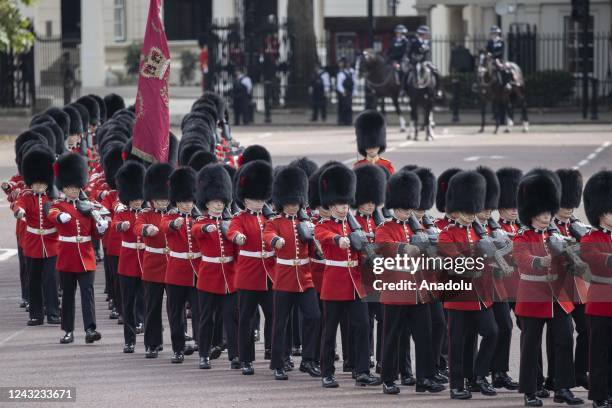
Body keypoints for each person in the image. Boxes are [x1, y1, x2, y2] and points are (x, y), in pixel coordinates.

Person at [513, 169, 583, 407]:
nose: (546, 216)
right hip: (533, 296)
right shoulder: (523, 236)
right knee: (530, 346)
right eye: (542, 212)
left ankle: (562, 387)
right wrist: (539, 262)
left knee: (564, 341)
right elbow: (521, 257)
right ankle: (530, 391)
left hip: (559, 297)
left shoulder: (557, 234)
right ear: (531, 212)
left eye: (548, 212)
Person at [376, 169, 445, 395]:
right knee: (392, 337)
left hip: (419, 292)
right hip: (396, 292)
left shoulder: (419, 228)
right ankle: (388, 379)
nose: (407, 212)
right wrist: (405, 248)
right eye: (403, 208)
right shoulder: (385, 228)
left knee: (423, 337)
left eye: (409, 208)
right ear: (394, 206)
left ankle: (424, 378)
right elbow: (384, 249)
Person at [314, 164, 381, 388]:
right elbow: (323, 235)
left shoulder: (355, 224)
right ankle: (327, 373)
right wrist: (339, 241)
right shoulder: (324, 225)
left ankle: (362, 371)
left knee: (362, 326)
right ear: (330, 205)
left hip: (356, 283)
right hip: (334, 284)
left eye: (345, 204)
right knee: (329, 330)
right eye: (339, 204)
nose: (343, 208)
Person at [438, 170, 499, 400]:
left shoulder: (478, 232)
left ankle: (479, 375)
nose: (471, 215)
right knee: (458, 343)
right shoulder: (447, 234)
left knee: (492, 333)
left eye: (473, 211)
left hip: (481, 295)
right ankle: (456, 385)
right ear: (455, 211)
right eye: (467, 211)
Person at [264, 166, 321, 380]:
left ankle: (308, 360)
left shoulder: (306, 223)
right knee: (281, 323)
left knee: (314, 317)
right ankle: (278, 363)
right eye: (289, 203)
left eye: (296, 203)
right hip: (285, 279)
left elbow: (315, 247)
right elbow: (268, 235)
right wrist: (275, 241)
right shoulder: (275, 222)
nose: (292, 207)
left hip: (305, 278)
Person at [48, 153, 107, 344]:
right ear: (63, 188)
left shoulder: (88, 206)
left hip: (86, 255)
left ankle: (90, 329)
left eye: (75, 187)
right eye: (69, 188)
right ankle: (68, 330)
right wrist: (59, 218)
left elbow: (94, 232)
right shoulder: (59, 205)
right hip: (67, 256)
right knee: (67, 296)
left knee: (87, 294)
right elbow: (51, 214)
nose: (73, 191)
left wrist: (100, 229)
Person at [227, 160, 275, 375]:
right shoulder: (239, 218)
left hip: (270, 274)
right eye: (254, 199)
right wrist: (238, 237)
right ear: (245, 200)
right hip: (248, 274)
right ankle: (246, 358)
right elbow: (232, 231)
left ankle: (275, 352)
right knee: (246, 318)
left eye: (261, 199)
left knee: (274, 316)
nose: (258, 203)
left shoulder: (270, 219)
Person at [192, 164, 239, 370]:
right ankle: (204, 355)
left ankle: (235, 355)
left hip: (229, 276)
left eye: (221, 202)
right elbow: (195, 231)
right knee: (206, 319)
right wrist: (206, 227)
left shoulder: (231, 222)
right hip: (209, 276)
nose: (218, 206)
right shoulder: (201, 222)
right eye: (214, 202)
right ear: (206, 203)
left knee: (231, 318)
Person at [545, 169, 589, 390]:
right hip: (556, 288)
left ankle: (580, 371)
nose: (568, 210)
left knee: (588, 329)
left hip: (578, 287)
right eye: (565, 206)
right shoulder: (547, 227)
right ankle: (555, 379)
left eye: (572, 206)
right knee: (560, 338)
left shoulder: (576, 224)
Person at [13, 145, 60, 326]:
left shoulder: (53, 198)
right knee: (33, 280)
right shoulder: (26, 196)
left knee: (51, 280)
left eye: (42, 184)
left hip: (51, 243)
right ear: (31, 182)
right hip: (32, 243)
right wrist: (19, 213)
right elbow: (19, 205)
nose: (39, 187)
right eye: (36, 184)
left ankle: (53, 313)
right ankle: (36, 314)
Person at [161, 167, 201, 364]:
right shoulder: (169, 217)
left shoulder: (199, 218)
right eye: (183, 202)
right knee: (175, 314)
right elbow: (164, 227)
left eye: (189, 201)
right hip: (176, 271)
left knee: (200, 312)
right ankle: (178, 348)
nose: (186, 205)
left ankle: (202, 346)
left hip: (196, 272)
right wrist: (174, 225)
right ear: (176, 201)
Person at [134, 163, 173, 359]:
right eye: (158, 199)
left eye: (165, 199)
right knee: (153, 306)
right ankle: (152, 342)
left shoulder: (175, 214)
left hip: (173, 264)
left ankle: (179, 340)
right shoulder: (145, 214)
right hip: (153, 263)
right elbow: (137, 227)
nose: (162, 202)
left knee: (175, 307)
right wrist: (145, 230)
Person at [581, 170, 612, 408]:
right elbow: (596, 260)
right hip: (601, 302)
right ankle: (599, 395)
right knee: (600, 353)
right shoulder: (590, 239)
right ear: (601, 214)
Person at [112, 161, 146, 354]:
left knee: (147, 302)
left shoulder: (147, 212)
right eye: (133, 199)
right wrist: (121, 227)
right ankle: (129, 340)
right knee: (128, 303)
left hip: (146, 262)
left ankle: (150, 337)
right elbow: (115, 225)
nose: (137, 201)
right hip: (128, 263)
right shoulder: (122, 212)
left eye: (139, 198)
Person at [353, 110, 395, 175]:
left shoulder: (387, 165)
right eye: (368, 146)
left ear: (380, 146)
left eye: (374, 146)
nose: (371, 149)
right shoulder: (358, 166)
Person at [407, 25, 442, 98]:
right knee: (416, 68)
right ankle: (416, 82)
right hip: (417, 61)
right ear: (422, 34)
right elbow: (410, 53)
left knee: (436, 71)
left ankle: (438, 89)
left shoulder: (428, 42)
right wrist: (413, 59)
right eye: (426, 34)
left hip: (426, 61)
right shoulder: (415, 42)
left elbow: (427, 52)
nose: (427, 35)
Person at [336, 58, 355, 126]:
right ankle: (341, 120)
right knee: (342, 107)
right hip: (343, 92)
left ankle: (349, 120)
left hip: (349, 91)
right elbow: (339, 84)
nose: (348, 65)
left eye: (349, 64)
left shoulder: (352, 72)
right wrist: (343, 91)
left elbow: (354, 82)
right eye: (347, 64)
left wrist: (354, 92)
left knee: (349, 106)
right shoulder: (341, 73)